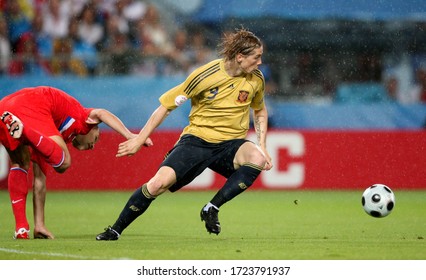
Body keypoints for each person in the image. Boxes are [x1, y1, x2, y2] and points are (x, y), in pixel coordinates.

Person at [96, 28, 273, 241]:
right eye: (257, 57)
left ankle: (212, 207)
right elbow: (166, 107)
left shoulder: (256, 79)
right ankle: (115, 230)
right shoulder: (204, 76)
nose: (260, 62)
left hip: (231, 144)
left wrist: (262, 145)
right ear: (240, 57)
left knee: (257, 158)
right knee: (157, 185)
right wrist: (139, 139)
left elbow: (260, 109)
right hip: (197, 141)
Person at [0, 86, 153, 239]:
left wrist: (39, 225)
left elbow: (39, 180)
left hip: (5, 108)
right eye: (96, 138)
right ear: (93, 127)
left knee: (20, 163)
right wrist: (131, 136)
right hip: (32, 104)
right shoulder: (83, 117)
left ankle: (21, 229)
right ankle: (24, 130)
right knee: (64, 162)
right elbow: (101, 113)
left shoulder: (47, 138)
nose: (93, 145)